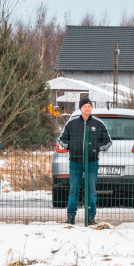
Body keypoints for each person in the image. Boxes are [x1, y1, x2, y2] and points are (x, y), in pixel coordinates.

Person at [58, 96, 111, 225]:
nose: (87, 108)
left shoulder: (98, 123)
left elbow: (108, 142)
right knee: (73, 190)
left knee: (91, 191)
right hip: (75, 162)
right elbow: (62, 139)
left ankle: (91, 217)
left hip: (92, 162)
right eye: (85, 106)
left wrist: (96, 148)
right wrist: (70, 146)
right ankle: (70, 217)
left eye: (89, 106)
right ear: (80, 108)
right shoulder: (72, 123)